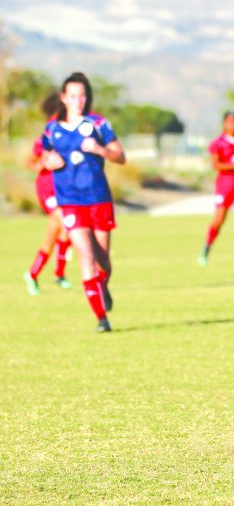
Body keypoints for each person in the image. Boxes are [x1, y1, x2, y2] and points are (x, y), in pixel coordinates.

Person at [41, 72, 126, 332]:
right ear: (64, 98)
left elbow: (121, 156)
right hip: (70, 201)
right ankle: (102, 319)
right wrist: (48, 161)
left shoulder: (99, 124)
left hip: (98, 198)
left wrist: (100, 150)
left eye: (83, 95)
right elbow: (43, 156)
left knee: (103, 262)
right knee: (85, 258)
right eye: (73, 95)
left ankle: (103, 286)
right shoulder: (52, 129)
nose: (79, 100)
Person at [24, 91, 73, 294]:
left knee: (59, 231)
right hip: (47, 187)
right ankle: (55, 273)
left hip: (64, 187)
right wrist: (46, 162)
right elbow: (33, 160)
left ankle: (37, 274)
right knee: (64, 222)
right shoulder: (52, 128)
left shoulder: (72, 126)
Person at [198, 111, 234, 266]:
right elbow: (215, 165)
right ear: (224, 124)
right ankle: (207, 247)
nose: (232, 125)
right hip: (225, 184)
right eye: (229, 122)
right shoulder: (218, 143)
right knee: (219, 219)